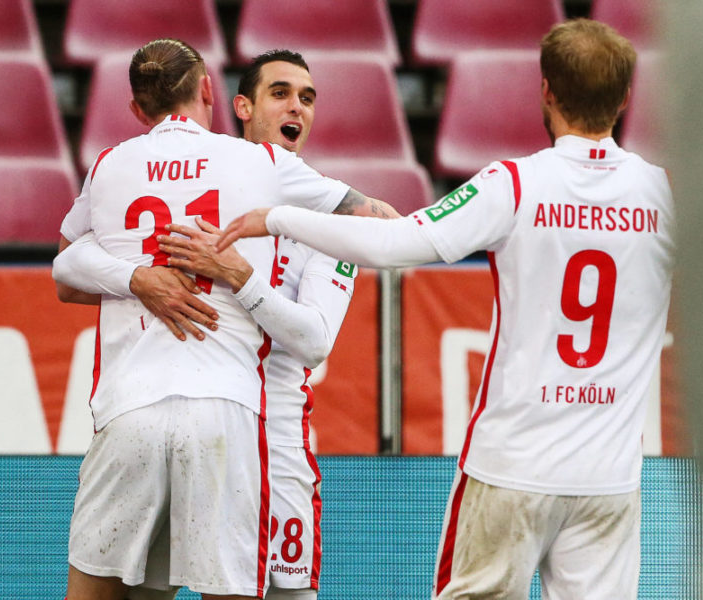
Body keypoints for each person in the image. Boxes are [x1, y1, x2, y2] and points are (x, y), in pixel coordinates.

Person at [215, 19, 671, 599]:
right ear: (627, 98)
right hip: (610, 477)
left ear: (547, 90)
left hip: (512, 464)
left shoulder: (515, 183)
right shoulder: (661, 191)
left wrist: (275, 217)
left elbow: (395, 243)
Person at [55, 39, 394, 600]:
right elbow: (385, 219)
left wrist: (230, 275)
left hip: (270, 438)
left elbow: (67, 262)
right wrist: (141, 278)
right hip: (230, 417)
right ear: (227, 100)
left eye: (307, 98)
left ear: (139, 108)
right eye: (280, 93)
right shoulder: (258, 166)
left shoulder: (116, 164)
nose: (296, 109)